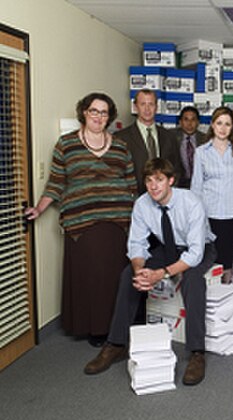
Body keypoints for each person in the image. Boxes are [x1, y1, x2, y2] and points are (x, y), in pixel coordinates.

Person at [84, 158, 216, 386]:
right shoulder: (142, 204)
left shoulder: (191, 202)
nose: (153, 186)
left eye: (159, 180)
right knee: (128, 275)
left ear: (171, 181)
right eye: (149, 180)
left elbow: (194, 253)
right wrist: (141, 271)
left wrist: (162, 273)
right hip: (167, 247)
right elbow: (136, 244)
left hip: (200, 247)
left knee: (193, 280)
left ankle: (197, 353)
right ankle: (115, 344)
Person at [25, 93, 137, 346]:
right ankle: (95, 328)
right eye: (94, 111)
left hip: (118, 220)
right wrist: (39, 209)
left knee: (114, 276)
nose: (99, 117)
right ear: (84, 112)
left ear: (110, 117)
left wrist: (139, 218)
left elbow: (131, 184)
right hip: (82, 220)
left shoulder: (120, 146)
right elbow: (56, 183)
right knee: (91, 275)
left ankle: (116, 326)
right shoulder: (66, 144)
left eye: (104, 112)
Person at [191, 106, 233, 284]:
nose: (223, 128)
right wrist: (196, 221)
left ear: (232, 128)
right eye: (219, 123)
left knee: (228, 265)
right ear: (212, 125)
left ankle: (226, 304)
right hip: (210, 217)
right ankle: (210, 308)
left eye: (228, 124)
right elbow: (196, 188)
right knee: (210, 265)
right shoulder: (201, 152)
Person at [115, 89, 181, 194]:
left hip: (164, 199)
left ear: (156, 107)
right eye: (143, 104)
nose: (147, 109)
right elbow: (118, 173)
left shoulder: (169, 136)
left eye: (151, 104)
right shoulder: (121, 138)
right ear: (135, 107)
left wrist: (169, 194)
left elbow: (177, 169)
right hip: (135, 199)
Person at [172, 106, 208, 188]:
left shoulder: (205, 140)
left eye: (193, 119)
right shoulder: (170, 137)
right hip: (178, 184)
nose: (189, 123)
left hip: (201, 184)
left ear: (198, 122)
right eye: (186, 119)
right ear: (180, 122)